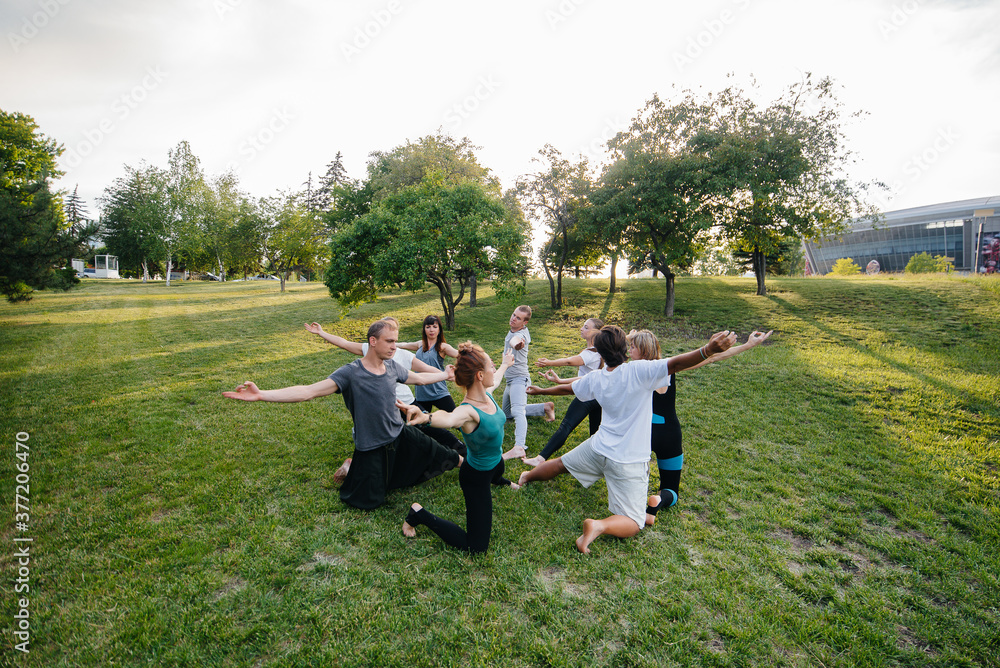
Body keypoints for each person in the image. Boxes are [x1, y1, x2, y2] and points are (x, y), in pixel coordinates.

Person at [518, 325, 736, 554]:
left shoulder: (597, 377)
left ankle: (526, 477)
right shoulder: (638, 371)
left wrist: (542, 391)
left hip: (599, 446)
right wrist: (708, 349)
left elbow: (569, 389)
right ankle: (598, 526)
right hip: (628, 459)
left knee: (562, 464)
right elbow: (676, 364)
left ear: (600, 355)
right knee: (634, 522)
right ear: (625, 348)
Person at [224, 318, 461, 510]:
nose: (394, 347)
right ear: (372, 341)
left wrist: (445, 375)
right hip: (371, 446)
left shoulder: (391, 367)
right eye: (389, 341)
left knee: (442, 454)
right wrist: (262, 394)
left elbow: (418, 378)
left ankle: (475, 468)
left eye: (396, 342)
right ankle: (353, 467)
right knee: (369, 501)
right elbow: (308, 392)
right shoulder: (351, 373)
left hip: (400, 433)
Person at [626, 329, 772, 523]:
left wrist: (625, 339)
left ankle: (634, 504)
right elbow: (711, 358)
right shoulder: (669, 366)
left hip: (642, 433)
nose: (629, 351)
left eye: (632, 347)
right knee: (671, 489)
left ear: (642, 350)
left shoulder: (628, 370)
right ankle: (659, 500)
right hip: (670, 433)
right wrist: (748, 345)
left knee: (632, 479)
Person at [398, 344, 518, 554]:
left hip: (495, 461)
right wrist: (426, 417)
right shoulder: (467, 411)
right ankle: (419, 515)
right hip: (476, 476)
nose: (494, 368)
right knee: (476, 547)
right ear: (480, 375)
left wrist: (506, 365)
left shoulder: (487, 393)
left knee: (498, 467)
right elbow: (450, 418)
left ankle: (500, 480)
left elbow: (496, 379)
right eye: (491, 366)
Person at [305, 318, 466, 459]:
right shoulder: (369, 349)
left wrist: (448, 374)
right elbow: (344, 343)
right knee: (402, 441)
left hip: (405, 404)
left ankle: (462, 453)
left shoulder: (403, 355)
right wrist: (321, 332)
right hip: (383, 408)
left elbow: (425, 373)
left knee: (432, 430)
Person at [521, 318, 605, 468]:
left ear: (595, 333)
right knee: (596, 432)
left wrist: (549, 362)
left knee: (566, 426)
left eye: (586, 327)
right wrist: (560, 381)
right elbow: (584, 379)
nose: (581, 329)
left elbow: (569, 361)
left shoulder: (590, 354)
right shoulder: (599, 352)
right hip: (598, 397)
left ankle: (540, 458)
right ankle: (599, 462)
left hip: (587, 397)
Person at [499, 305, 555, 460]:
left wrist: (517, 345)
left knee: (517, 412)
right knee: (507, 414)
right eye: (513, 314)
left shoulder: (522, 334)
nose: (513, 318)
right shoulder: (513, 330)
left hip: (519, 379)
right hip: (510, 381)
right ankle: (544, 407)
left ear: (524, 323)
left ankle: (519, 446)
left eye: (518, 318)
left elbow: (517, 341)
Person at [396, 315, 460, 414]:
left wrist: (481, 359)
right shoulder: (420, 344)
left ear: (439, 330)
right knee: (423, 425)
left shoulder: (443, 347)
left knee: (457, 418)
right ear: (424, 329)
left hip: (439, 391)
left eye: (435, 327)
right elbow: (403, 345)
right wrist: (388, 343)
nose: (431, 330)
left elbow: (460, 355)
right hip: (422, 393)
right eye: (428, 327)